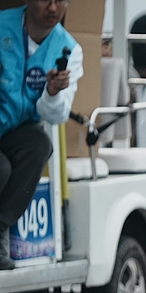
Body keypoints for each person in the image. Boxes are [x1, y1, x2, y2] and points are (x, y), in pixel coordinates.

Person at [0, 0, 82, 270]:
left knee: (39, 145)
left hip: (15, 130)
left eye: (61, 1)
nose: (53, 8)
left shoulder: (68, 48)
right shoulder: (3, 26)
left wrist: (53, 92)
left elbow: (54, 116)